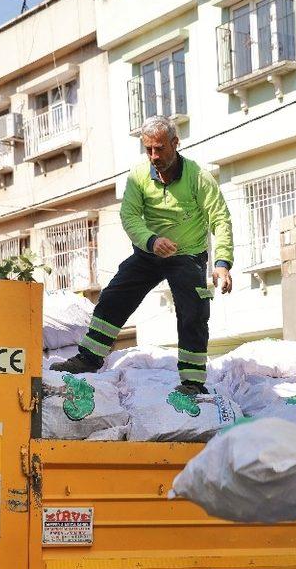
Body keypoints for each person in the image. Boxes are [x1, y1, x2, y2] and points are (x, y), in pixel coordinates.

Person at [51, 115, 233, 395]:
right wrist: (151, 241)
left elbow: (219, 218)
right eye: (148, 149)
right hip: (150, 252)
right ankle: (88, 358)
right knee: (113, 296)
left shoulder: (199, 177)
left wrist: (222, 263)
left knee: (193, 313)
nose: (154, 156)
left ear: (175, 143)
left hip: (187, 255)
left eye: (159, 148)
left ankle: (192, 382)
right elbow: (130, 216)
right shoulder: (138, 177)